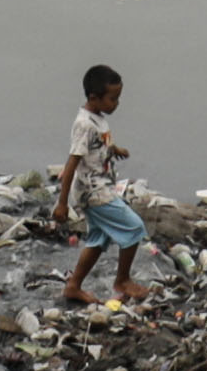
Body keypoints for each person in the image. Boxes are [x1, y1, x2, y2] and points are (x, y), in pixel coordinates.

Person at [54, 64, 146, 308]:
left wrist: (115, 149)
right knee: (135, 228)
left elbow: (98, 145)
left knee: (98, 239)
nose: (116, 103)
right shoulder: (84, 125)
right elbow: (72, 163)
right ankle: (122, 280)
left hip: (99, 185)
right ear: (93, 97)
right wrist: (62, 204)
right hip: (92, 191)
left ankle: (73, 286)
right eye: (112, 99)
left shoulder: (98, 119)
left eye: (118, 98)